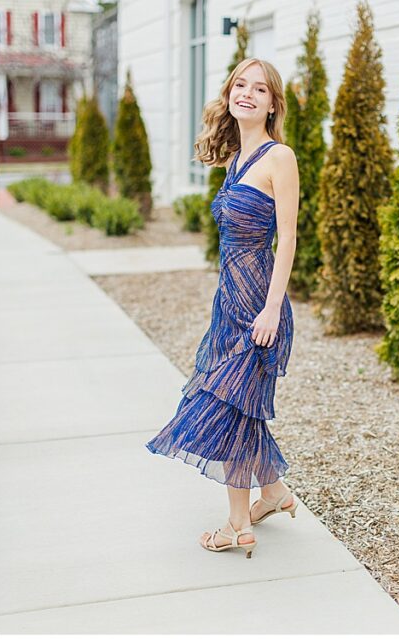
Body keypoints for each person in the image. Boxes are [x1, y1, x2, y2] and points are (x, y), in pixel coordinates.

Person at [145, 58, 299, 558]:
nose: (247, 94)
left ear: (273, 103)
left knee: (229, 405)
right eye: (239, 85)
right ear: (229, 94)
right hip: (228, 301)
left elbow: (289, 238)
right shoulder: (236, 159)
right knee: (240, 405)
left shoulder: (281, 158)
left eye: (259, 89)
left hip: (258, 304)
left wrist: (273, 309)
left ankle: (237, 525)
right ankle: (272, 494)